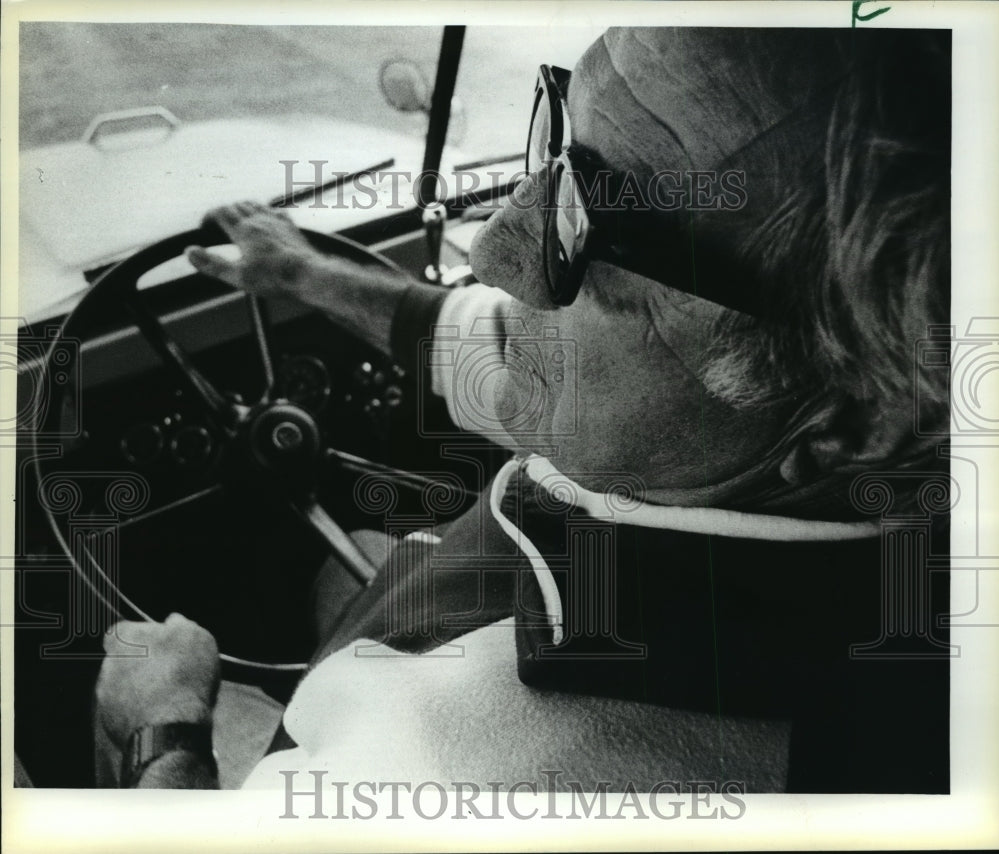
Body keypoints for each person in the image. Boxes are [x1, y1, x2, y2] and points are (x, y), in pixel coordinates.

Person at [95, 27, 951, 793]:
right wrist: (303, 273)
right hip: (457, 599)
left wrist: (165, 731)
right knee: (353, 552)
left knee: (155, 670)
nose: (496, 252)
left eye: (605, 236)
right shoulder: (713, 448)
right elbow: (495, 344)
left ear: (850, 422)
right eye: (562, 153)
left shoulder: (458, 769)